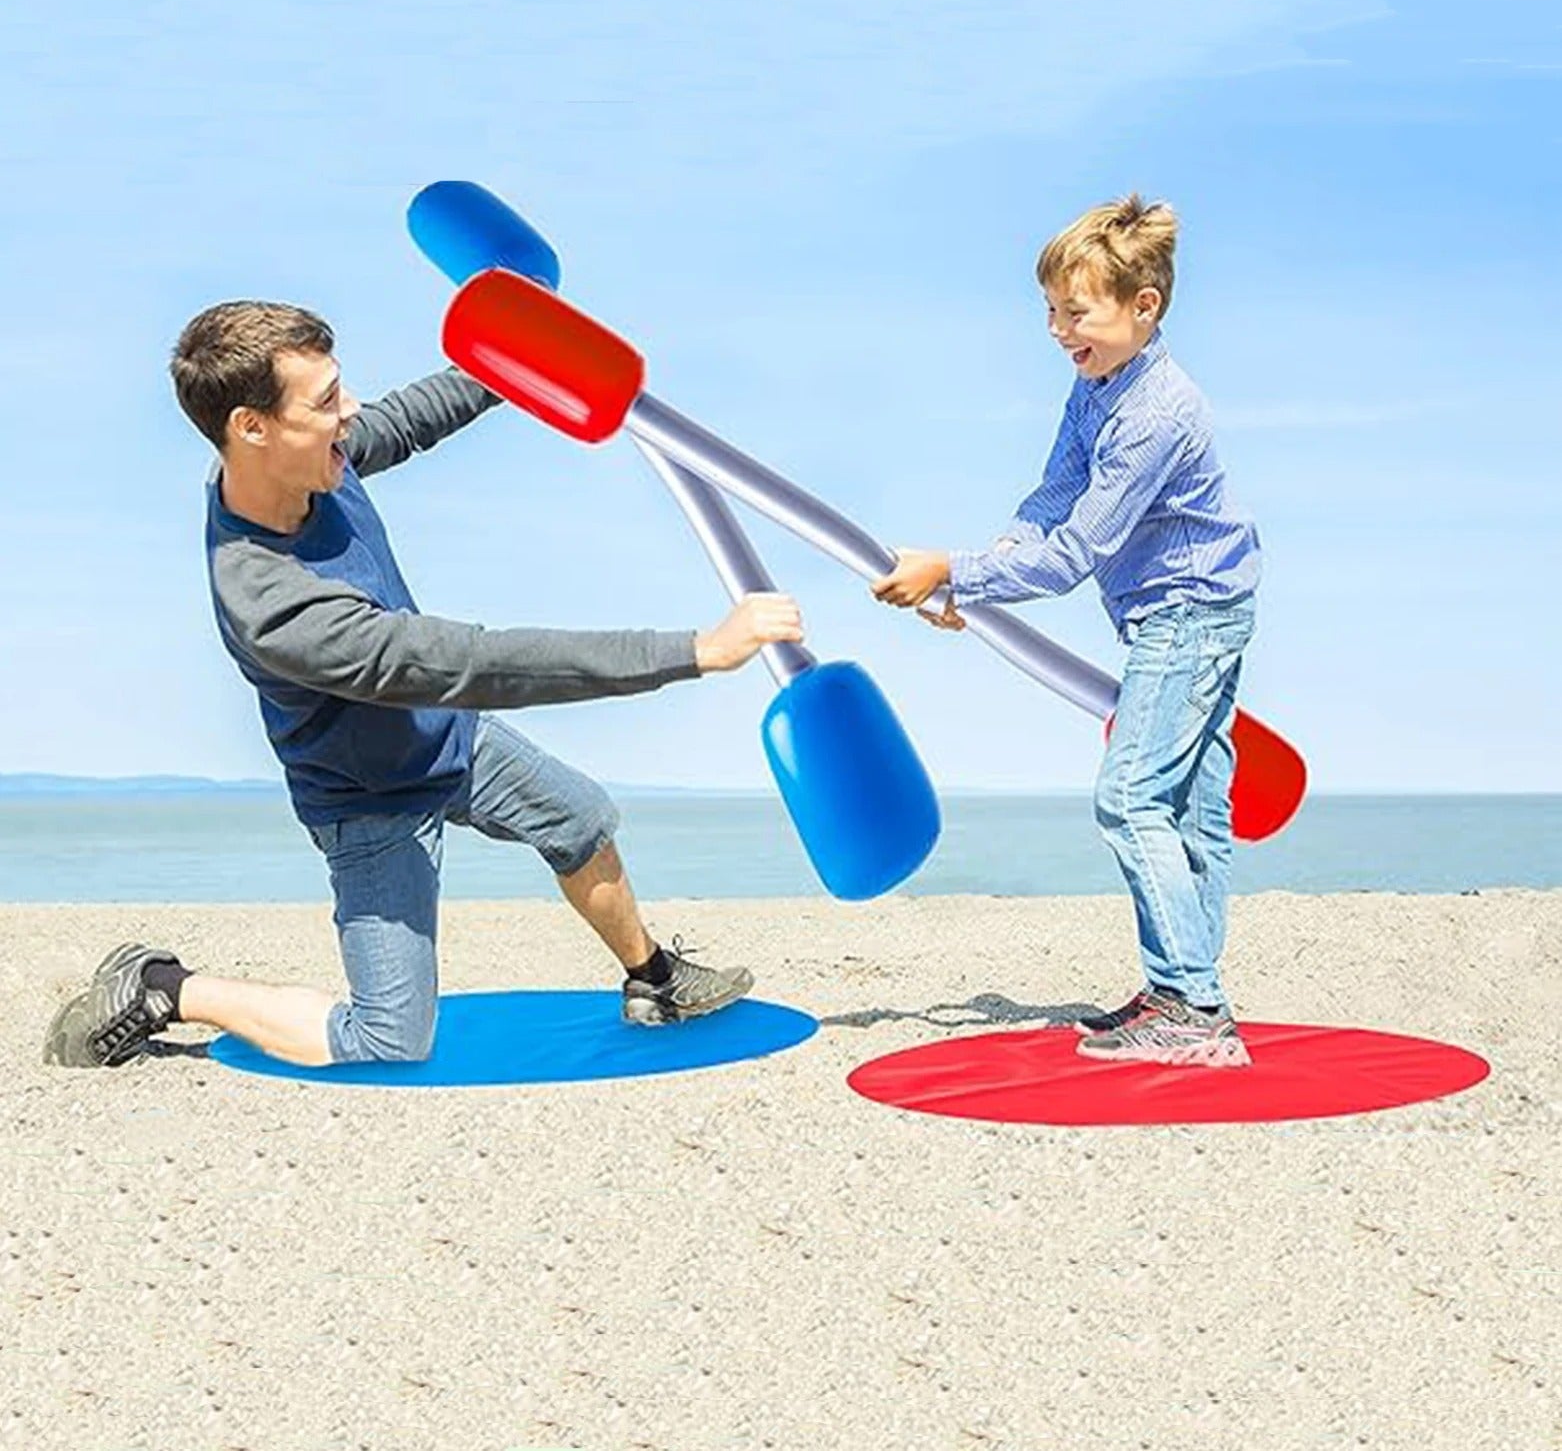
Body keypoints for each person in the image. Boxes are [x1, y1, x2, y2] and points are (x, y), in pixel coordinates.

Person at [44, 300, 803, 1071]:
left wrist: (520, 361)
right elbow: (468, 662)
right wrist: (695, 650)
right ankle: (165, 985)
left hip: (447, 735)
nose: (353, 410)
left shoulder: (311, 463)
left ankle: (656, 980)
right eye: (327, 400)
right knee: (391, 1041)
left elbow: (409, 418)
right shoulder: (272, 602)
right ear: (251, 427)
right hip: (369, 799)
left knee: (579, 819)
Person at [871, 195, 1261, 1067]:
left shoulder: (1158, 413)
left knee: (1130, 800)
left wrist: (957, 569)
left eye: (1074, 311)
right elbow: (1052, 499)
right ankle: (1182, 991)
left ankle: (1194, 1012)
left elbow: (1076, 551)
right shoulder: (1094, 387)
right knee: (1193, 811)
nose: (1056, 329)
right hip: (1182, 609)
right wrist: (978, 574)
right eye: (1050, 311)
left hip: (1190, 612)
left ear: (1143, 306)